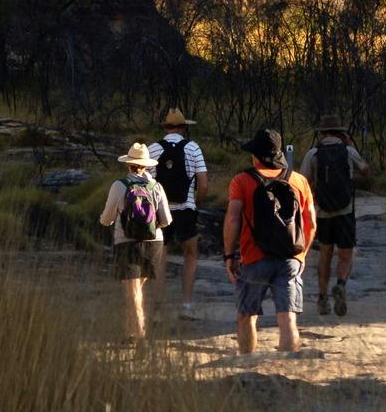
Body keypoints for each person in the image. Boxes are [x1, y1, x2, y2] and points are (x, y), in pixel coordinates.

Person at [223, 127, 315, 358]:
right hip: (289, 258)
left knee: (247, 316)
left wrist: (229, 255)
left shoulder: (241, 181)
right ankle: (287, 370)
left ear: (255, 155)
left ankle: (246, 364)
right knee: (287, 317)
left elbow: (233, 218)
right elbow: (311, 221)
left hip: (254, 258)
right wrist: (302, 255)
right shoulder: (299, 181)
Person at [97, 142, 172, 341]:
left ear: (128, 164)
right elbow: (166, 220)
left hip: (127, 242)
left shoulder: (119, 185)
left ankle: (139, 336)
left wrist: (108, 219)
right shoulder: (156, 187)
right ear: (146, 165)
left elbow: (107, 218)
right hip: (154, 242)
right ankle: (131, 331)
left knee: (133, 292)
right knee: (136, 289)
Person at [302, 121, 369, 315]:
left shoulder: (313, 154)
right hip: (345, 211)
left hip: (322, 213)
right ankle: (340, 285)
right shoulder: (348, 151)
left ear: (322, 133)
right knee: (346, 255)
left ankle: (322, 298)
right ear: (341, 134)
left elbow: (303, 181)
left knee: (325, 254)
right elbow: (365, 170)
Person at [151, 108, 210, 311]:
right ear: (184, 128)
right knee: (191, 255)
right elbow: (203, 184)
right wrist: (197, 204)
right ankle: (186, 304)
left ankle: (158, 306)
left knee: (160, 256)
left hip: (159, 211)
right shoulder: (193, 148)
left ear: (166, 128)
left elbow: (146, 182)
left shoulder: (153, 149)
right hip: (186, 209)